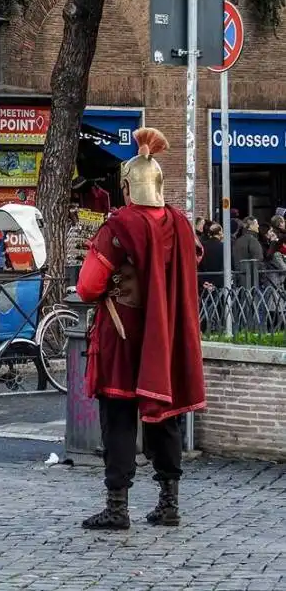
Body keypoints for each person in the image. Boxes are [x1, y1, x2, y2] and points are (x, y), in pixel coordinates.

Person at [75, 127, 206, 531]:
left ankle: (117, 507)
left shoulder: (119, 227)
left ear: (128, 187)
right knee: (162, 414)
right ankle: (169, 503)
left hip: (125, 335)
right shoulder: (181, 224)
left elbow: (88, 287)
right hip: (165, 334)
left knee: (119, 416)